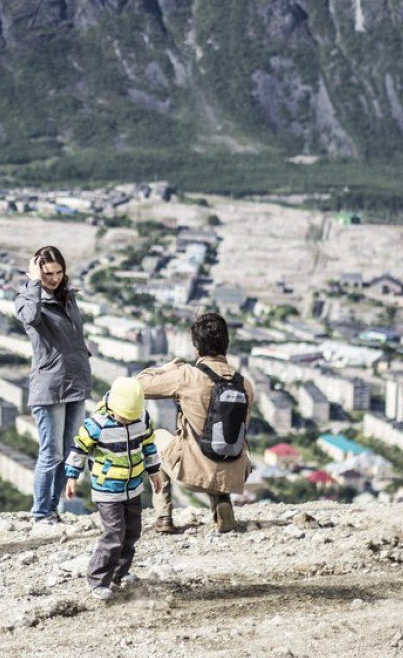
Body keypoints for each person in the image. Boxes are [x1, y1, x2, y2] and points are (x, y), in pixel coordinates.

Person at [137, 311, 257, 534]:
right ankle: (222, 502)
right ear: (226, 344)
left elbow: (137, 386)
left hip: (193, 474)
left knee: (157, 437)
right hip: (235, 475)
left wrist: (163, 369)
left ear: (196, 348)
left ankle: (163, 516)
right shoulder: (246, 384)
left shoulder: (188, 376)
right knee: (219, 442)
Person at [64, 377, 162, 600]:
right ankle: (97, 579)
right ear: (112, 407)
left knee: (133, 531)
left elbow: (148, 445)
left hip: (133, 486)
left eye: (131, 417)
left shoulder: (142, 419)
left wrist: (154, 472)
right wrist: (72, 477)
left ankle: (120, 573)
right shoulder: (97, 425)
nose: (128, 421)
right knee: (114, 533)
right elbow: (78, 448)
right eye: (123, 417)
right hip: (107, 489)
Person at [16, 245, 92, 524]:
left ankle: (53, 510)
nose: (55, 278)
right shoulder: (27, 298)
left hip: (76, 381)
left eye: (59, 272)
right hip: (49, 386)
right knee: (51, 452)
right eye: (48, 273)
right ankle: (40, 513)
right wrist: (35, 283)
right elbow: (30, 318)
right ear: (36, 271)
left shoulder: (69, 298)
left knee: (71, 450)